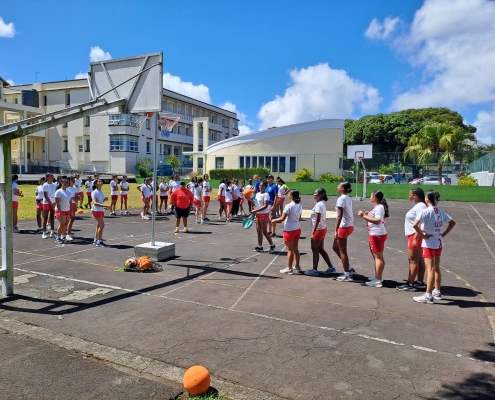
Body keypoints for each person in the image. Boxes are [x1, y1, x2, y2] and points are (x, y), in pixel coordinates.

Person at [412, 190, 456, 304]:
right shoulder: (439, 211)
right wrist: (443, 234)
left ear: (427, 198)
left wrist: (421, 235)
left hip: (429, 243)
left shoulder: (425, 212)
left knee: (429, 269)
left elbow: (415, 225)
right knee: (436, 268)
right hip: (438, 242)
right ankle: (437, 291)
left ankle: (428, 295)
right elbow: (452, 222)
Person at [397, 187, 427, 291]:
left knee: (413, 260)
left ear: (415, 196)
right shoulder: (420, 206)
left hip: (415, 236)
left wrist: (415, 238)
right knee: (419, 260)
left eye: (410, 194)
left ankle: (410, 284)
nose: (409, 196)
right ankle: (419, 282)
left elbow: (421, 224)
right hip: (415, 235)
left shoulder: (420, 206)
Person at [357, 190, 389, 288]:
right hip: (376, 234)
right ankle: (377, 276)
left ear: (375, 197)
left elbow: (378, 221)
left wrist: (363, 216)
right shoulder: (378, 207)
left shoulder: (379, 207)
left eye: (371, 196)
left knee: (378, 258)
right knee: (378, 257)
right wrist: (368, 214)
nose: (370, 197)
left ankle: (378, 280)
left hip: (377, 234)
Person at [305, 188, 335, 276]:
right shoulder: (321, 204)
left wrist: (312, 232)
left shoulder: (319, 205)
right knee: (320, 249)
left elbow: (317, 219)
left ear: (320, 195)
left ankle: (314, 270)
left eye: (316, 193)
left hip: (318, 229)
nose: (314, 194)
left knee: (315, 250)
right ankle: (331, 267)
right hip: (322, 228)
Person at [273, 190, 302, 274]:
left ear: (291, 196)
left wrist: (274, 220)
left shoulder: (288, 206)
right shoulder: (299, 205)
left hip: (289, 230)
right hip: (297, 228)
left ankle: (289, 268)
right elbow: (298, 218)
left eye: (289, 193)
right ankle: (297, 266)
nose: (288, 194)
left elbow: (282, 218)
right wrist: (286, 220)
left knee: (289, 249)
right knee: (295, 248)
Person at [332, 182, 357, 280]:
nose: (337, 187)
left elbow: (339, 215)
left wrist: (336, 230)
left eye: (339, 186)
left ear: (342, 189)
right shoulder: (347, 198)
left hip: (344, 226)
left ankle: (347, 274)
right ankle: (348, 268)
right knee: (335, 247)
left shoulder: (341, 199)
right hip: (349, 225)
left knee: (342, 251)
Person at [250, 180, 276, 253]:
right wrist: (248, 199)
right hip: (258, 214)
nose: (261, 187)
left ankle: (272, 245)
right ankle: (260, 246)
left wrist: (255, 211)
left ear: (265, 187)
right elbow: (255, 204)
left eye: (262, 186)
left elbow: (265, 206)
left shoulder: (266, 194)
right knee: (258, 230)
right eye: (260, 186)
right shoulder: (257, 194)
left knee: (264, 231)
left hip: (264, 214)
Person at [91, 179, 109, 247]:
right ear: (96, 184)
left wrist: (105, 199)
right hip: (96, 210)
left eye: (101, 181)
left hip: (100, 210)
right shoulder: (94, 192)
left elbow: (100, 202)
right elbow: (95, 203)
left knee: (99, 225)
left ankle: (96, 240)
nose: (100, 182)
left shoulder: (101, 192)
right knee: (102, 225)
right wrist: (106, 206)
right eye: (99, 181)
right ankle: (99, 241)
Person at [54, 179, 72, 244]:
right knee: (62, 224)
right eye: (64, 182)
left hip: (67, 210)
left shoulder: (69, 192)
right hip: (60, 210)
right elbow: (57, 203)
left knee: (66, 224)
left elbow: (70, 202)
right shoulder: (58, 192)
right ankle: (58, 237)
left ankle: (63, 236)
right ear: (62, 183)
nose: (66, 184)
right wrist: (60, 212)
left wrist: (71, 210)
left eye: (67, 183)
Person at [41, 173, 57, 239]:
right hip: (46, 203)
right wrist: (51, 203)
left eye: (53, 176)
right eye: (51, 176)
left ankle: (52, 232)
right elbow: (45, 195)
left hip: (53, 202)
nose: (52, 177)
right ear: (47, 177)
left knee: (52, 217)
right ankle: (44, 232)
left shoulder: (55, 185)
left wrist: (55, 202)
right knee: (45, 217)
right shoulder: (45, 185)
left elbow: (56, 194)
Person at [65, 176, 77, 241]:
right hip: (68, 204)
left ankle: (68, 232)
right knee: (70, 218)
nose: (73, 181)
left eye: (73, 180)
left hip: (73, 203)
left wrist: (76, 197)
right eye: (72, 180)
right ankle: (67, 233)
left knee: (72, 219)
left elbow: (74, 196)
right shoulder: (67, 188)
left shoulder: (74, 188)